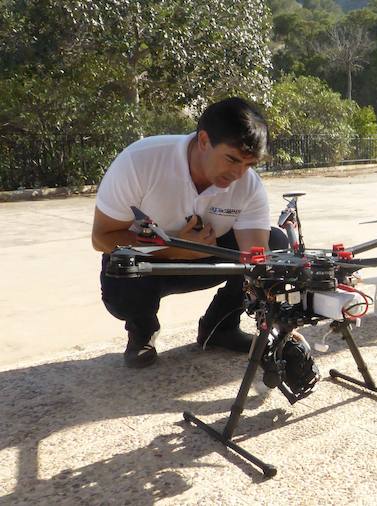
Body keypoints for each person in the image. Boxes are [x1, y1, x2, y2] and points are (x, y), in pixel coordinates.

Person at [92, 97, 288, 368]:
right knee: (120, 277)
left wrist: (280, 321)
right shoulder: (140, 161)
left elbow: (258, 260)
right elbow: (102, 237)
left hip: (209, 259)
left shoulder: (248, 185)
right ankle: (142, 329)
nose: (238, 174)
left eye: (249, 164)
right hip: (148, 265)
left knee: (275, 244)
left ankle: (220, 327)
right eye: (231, 159)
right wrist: (175, 248)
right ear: (204, 140)